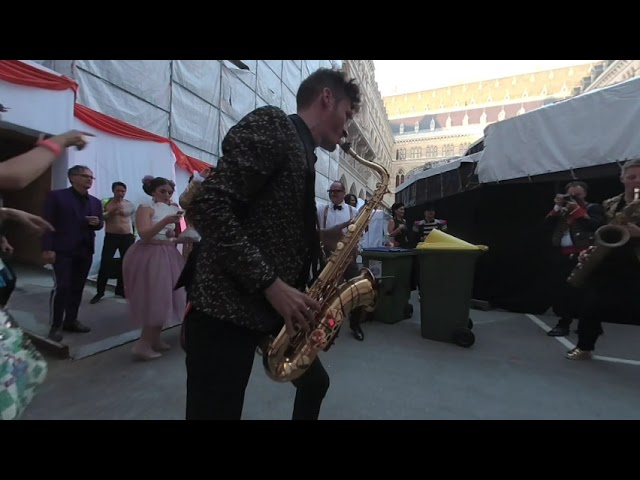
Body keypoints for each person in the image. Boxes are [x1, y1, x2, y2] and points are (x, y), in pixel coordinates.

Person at [181, 67, 361, 420]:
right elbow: (208, 205)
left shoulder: (304, 153)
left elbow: (272, 228)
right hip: (225, 311)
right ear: (327, 98)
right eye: (347, 114)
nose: (347, 127)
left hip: (266, 309)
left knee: (315, 383)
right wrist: (271, 284)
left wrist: (328, 241)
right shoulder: (275, 125)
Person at [566, 159, 640, 360]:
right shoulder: (609, 203)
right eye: (632, 177)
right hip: (609, 259)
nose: (637, 181)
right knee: (590, 304)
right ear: (622, 178)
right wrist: (590, 249)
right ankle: (584, 347)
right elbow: (602, 232)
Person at [122, 176, 187, 360]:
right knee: (156, 297)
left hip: (168, 253)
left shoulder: (173, 208)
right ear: (152, 191)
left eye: (169, 192)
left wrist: (180, 236)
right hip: (150, 255)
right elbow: (144, 234)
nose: (167, 195)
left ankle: (155, 339)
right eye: (162, 191)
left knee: (166, 297)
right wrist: (165, 221)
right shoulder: (145, 207)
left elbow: (172, 234)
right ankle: (142, 344)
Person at [42, 165, 104, 342]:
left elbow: (99, 225)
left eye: (91, 177)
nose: (89, 180)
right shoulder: (57, 196)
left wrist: (97, 222)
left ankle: (71, 320)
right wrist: (47, 248)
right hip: (62, 249)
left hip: (85, 249)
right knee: (62, 287)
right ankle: (56, 325)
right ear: (72, 178)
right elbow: (47, 223)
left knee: (77, 287)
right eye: (85, 176)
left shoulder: (95, 202)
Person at [544, 181, 605, 337]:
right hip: (563, 254)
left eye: (577, 195)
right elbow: (546, 226)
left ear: (585, 194)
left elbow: (595, 226)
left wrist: (577, 210)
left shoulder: (593, 208)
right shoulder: (562, 211)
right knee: (563, 291)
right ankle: (565, 322)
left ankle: (587, 324)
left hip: (584, 255)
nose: (574, 198)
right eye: (571, 195)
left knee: (585, 292)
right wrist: (557, 207)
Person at [91, 182, 136, 303]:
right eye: (118, 191)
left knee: (125, 264)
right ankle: (100, 292)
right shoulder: (105, 202)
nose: (120, 193)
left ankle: (121, 290)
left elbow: (133, 221)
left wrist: (134, 236)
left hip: (127, 237)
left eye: (123, 191)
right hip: (111, 236)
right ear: (113, 191)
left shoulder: (129, 204)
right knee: (105, 263)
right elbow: (99, 218)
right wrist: (111, 212)